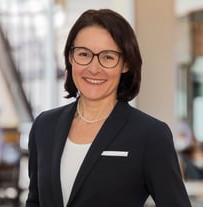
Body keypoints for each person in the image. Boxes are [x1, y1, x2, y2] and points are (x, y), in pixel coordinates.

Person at [26, 9, 192, 207]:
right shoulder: (44, 126)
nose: (94, 68)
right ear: (70, 58)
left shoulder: (150, 135)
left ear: (126, 64)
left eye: (107, 57)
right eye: (84, 54)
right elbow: (35, 201)